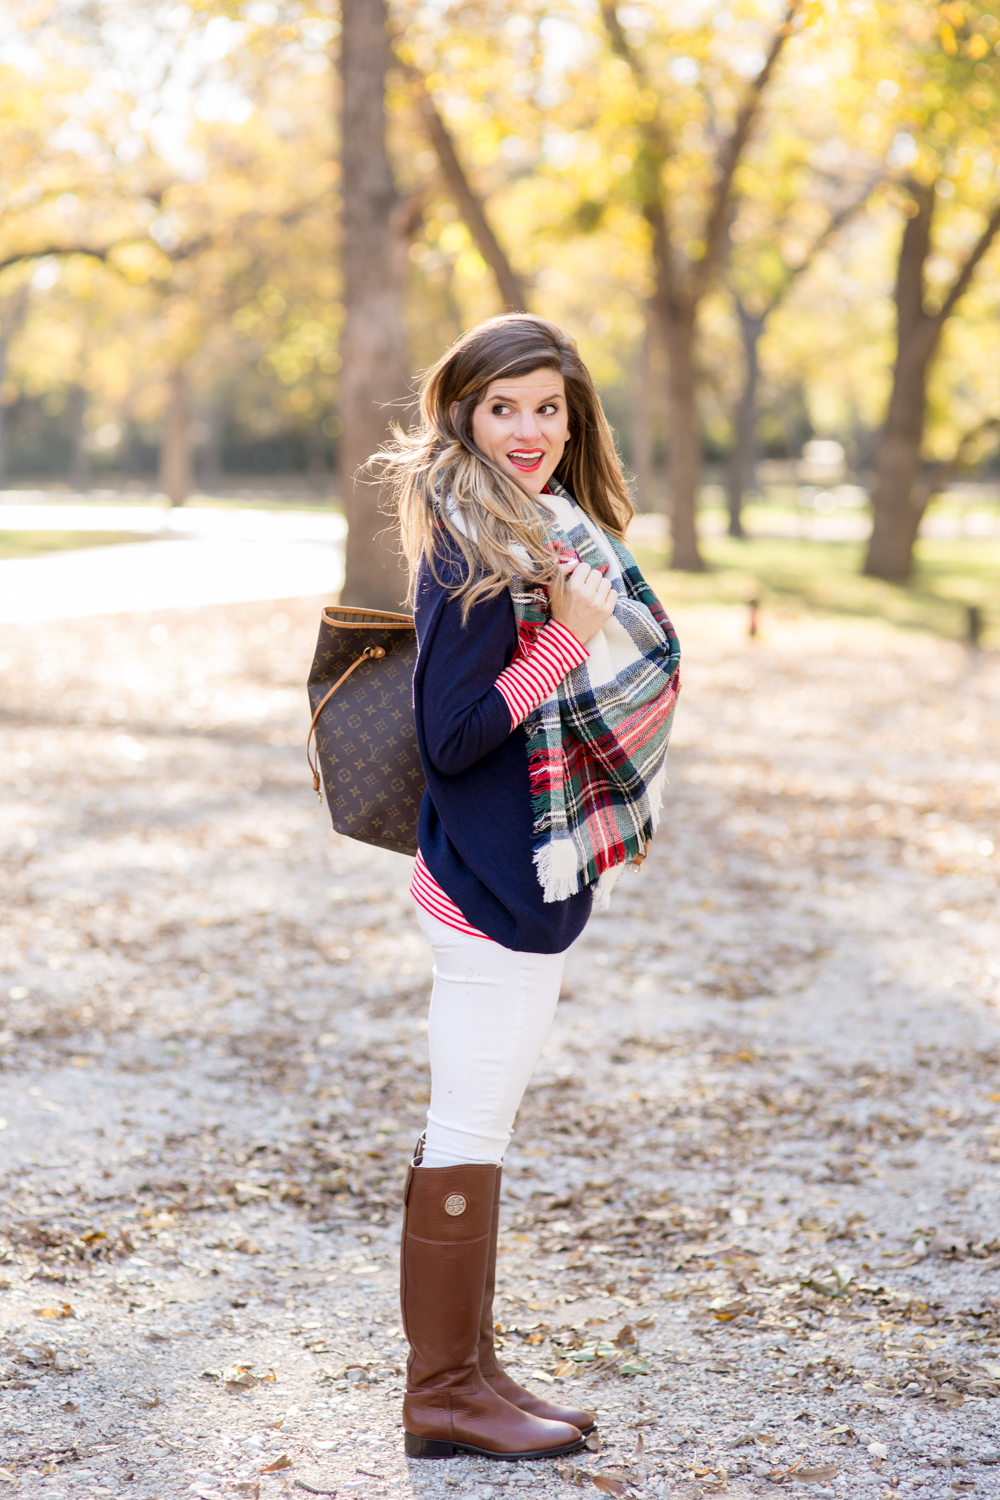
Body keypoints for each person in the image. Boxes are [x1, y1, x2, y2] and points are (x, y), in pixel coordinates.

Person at [379, 314, 680, 1463]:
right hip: (487, 889)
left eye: (545, 407)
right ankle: (444, 1394)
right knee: (465, 1127)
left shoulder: (541, 531)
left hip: (522, 878)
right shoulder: (465, 543)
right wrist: (560, 644)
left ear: (572, 416)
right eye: (502, 406)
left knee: (478, 1131)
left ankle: (471, 1369)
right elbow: (452, 736)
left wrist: (569, 627)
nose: (526, 430)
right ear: (461, 413)